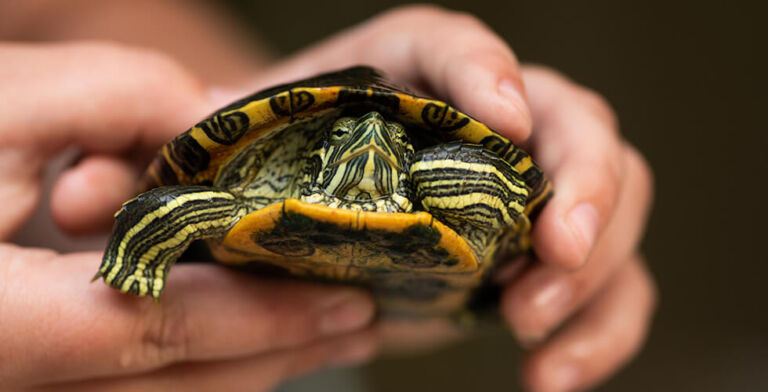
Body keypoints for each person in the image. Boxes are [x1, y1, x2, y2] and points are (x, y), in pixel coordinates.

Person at [0, 2, 655, 391]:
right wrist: (136, 261)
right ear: (319, 149)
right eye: (347, 135)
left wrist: (530, 197)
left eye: (391, 140)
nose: (373, 136)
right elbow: (164, 201)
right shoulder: (258, 185)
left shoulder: (429, 185)